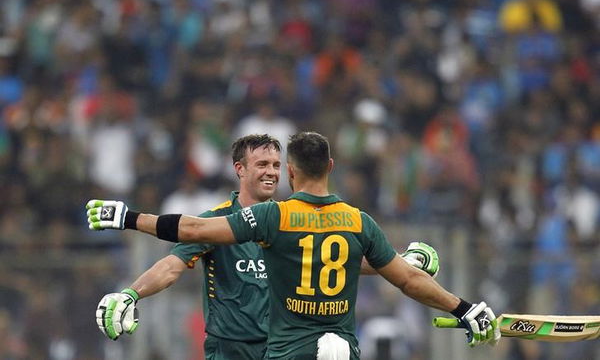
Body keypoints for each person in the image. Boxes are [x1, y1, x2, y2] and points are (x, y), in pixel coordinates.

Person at [88, 131, 500, 359]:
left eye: (274, 165)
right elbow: (175, 262)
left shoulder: (283, 217)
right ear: (239, 170)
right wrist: (131, 292)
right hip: (232, 351)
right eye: (261, 165)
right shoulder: (222, 220)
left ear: (288, 169)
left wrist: (400, 263)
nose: (269, 172)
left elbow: (332, 262)